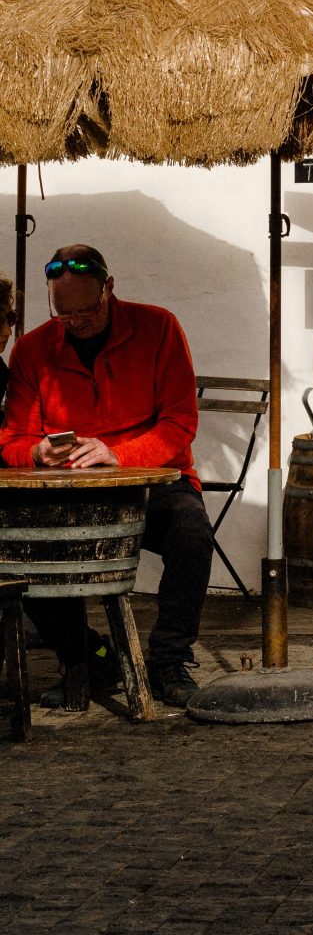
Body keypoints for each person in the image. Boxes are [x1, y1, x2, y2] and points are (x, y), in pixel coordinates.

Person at [0, 243, 216, 706]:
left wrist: (120, 454)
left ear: (109, 289)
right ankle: (89, 658)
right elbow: (11, 438)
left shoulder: (159, 327)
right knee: (23, 552)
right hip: (65, 491)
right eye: (65, 314)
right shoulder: (33, 349)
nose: (76, 322)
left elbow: (180, 423)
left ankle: (168, 660)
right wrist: (36, 453)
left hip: (151, 481)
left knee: (192, 532)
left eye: (87, 311)